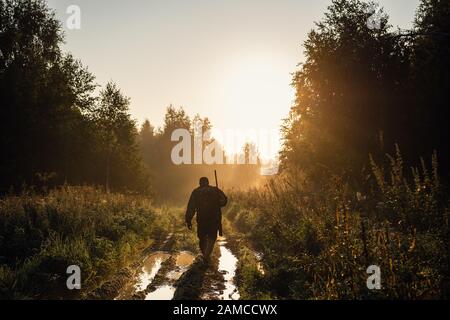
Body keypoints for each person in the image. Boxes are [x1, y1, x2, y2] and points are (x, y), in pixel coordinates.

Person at [185, 177, 227, 262]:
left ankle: (204, 255)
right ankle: (206, 256)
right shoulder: (215, 190)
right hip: (213, 218)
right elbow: (224, 201)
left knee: (202, 237)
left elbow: (191, 207)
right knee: (212, 237)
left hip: (201, 219)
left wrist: (188, 219)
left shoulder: (196, 192)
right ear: (208, 182)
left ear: (200, 183)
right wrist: (218, 202)